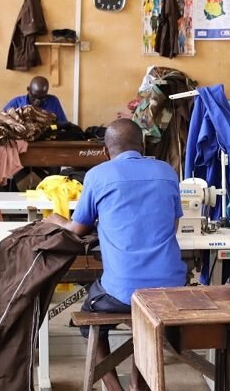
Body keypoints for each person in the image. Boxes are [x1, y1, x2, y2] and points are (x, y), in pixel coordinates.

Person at [46, 119, 185, 391]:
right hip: (170, 290)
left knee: (91, 316)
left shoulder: (98, 175)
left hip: (122, 293)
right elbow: (172, 226)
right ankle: (138, 384)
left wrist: (54, 220)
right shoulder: (167, 172)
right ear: (143, 146)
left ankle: (113, 387)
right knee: (144, 321)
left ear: (105, 150)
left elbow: (77, 229)